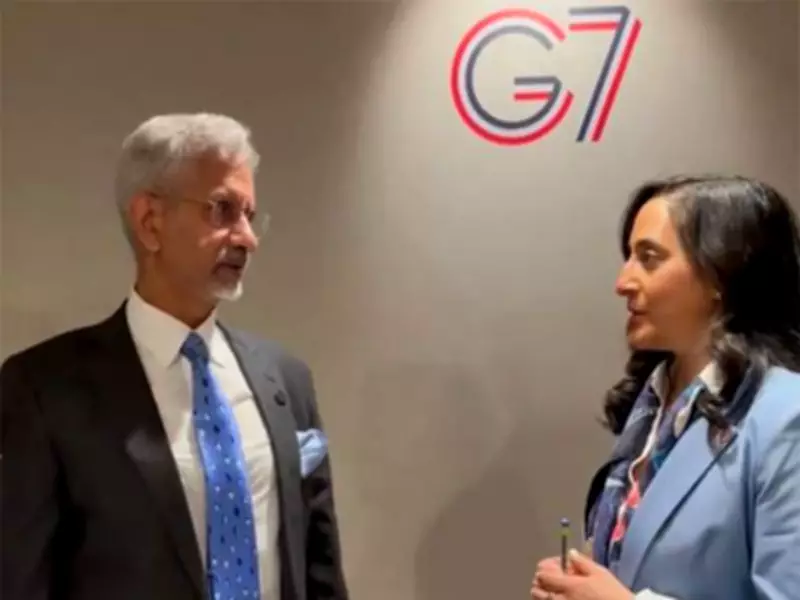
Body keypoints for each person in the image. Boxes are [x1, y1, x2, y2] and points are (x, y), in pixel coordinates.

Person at [1, 113, 349, 600]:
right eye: (223, 210)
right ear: (150, 222)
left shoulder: (286, 380)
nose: (247, 238)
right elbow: (20, 579)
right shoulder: (45, 389)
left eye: (249, 215)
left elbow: (320, 566)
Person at [531, 175, 800, 600]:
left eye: (649, 258)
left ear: (720, 273)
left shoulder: (786, 418)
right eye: (629, 257)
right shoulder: (652, 406)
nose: (623, 282)